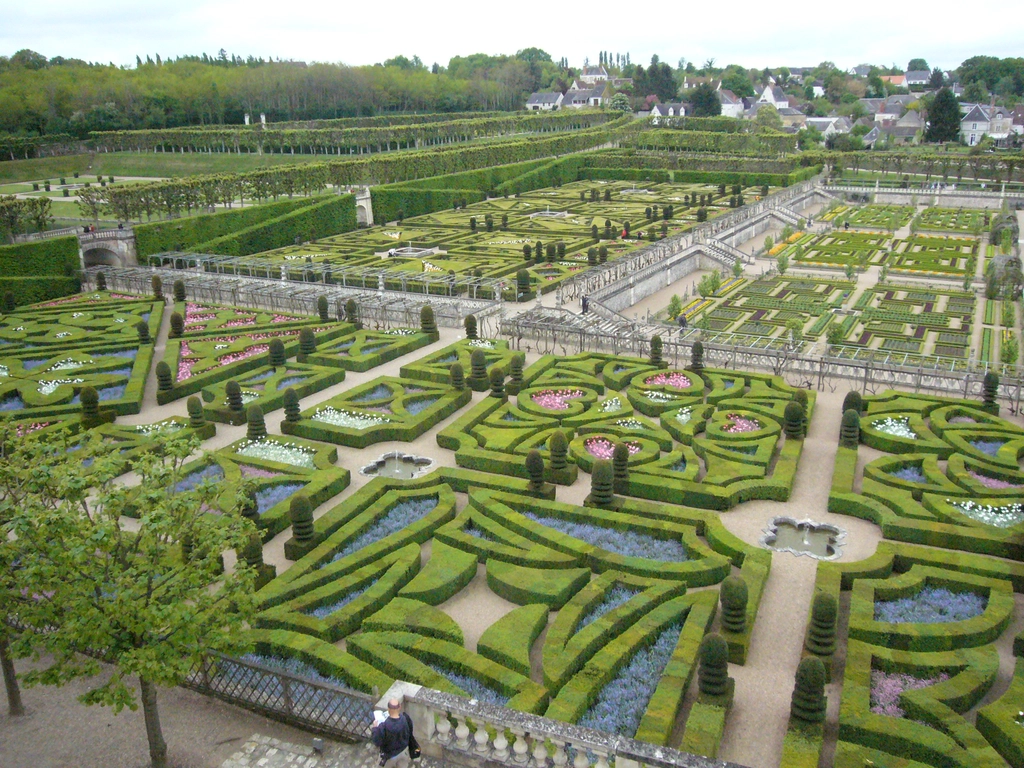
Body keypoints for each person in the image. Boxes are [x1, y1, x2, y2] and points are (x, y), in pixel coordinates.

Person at [371, 698, 413, 767]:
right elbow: (408, 734)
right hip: (403, 751)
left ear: (388, 709)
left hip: (389, 756)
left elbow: (376, 741)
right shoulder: (404, 719)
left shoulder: (384, 726)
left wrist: (375, 728)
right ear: (399, 707)